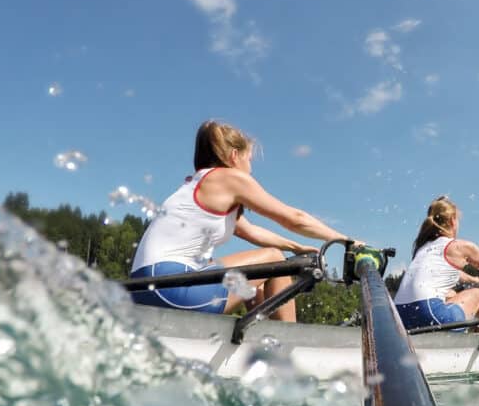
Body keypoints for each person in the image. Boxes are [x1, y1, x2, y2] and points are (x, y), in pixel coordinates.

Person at [129, 120, 352, 321]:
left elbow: (251, 232)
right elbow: (294, 219)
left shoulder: (197, 185)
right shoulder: (228, 178)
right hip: (171, 289)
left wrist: (296, 247)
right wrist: (347, 241)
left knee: (252, 276)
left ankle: (262, 334)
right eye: (249, 159)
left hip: (143, 288)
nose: (251, 168)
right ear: (234, 156)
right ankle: (290, 346)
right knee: (274, 259)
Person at [393, 196, 479, 334]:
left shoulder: (422, 249)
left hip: (399, 319)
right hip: (430, 316)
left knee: (451, 294)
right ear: (452, 221)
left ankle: (475, 337)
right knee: (477, 295)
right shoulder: (458, 246)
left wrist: (474, 279)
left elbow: (454, 274)